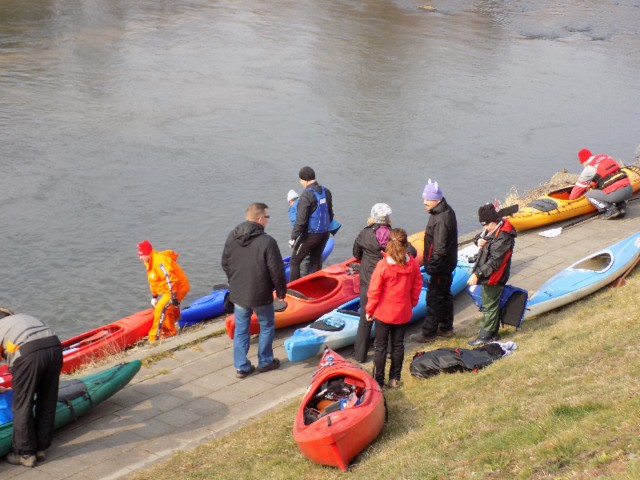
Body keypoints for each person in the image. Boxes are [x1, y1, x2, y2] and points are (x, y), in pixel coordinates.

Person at [221, 202, 287, 379]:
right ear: (260, 219)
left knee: (241, 328)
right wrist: (281, 291)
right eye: (268, 217)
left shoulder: (232, 236)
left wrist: (235, 282)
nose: (268, 220)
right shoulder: (267, 242)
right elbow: (277, 270)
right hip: (261, 293)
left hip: (239, 293)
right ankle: (265, 361)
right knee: (266, 325)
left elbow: (225, 263)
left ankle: (241, 367)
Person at [352, 203, 417, 363]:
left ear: (373, 217)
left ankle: (360, 355)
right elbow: (412, 252)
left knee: (365, 319)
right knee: (388, 320)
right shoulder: (393, 235)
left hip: (368, 282)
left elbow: (356, 253)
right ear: (388, 218)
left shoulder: (364, 234)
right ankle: (388, 351)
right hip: (390, 284)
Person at [0, 307, 63, 467]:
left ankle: (24, 454)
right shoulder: (21, 318)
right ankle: (41, 449)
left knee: (22, 404)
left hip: (29, 353)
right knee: (47, 399)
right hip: (55, 347)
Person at [365, 229, 423, 389]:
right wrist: (412, 302)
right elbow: (418, 284)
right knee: (398, 345)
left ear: (388, 244)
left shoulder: (383, 266)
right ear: (406, 245)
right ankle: (395, 378)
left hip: (384, 313)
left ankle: (378, 381)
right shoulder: (412, 264)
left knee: (380, 347)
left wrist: (369, 310)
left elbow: (374, 291)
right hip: (402, 311)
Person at [410, 179, 458, 343]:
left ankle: (428, 333)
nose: (424, 202)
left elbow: (439, 248)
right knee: (445, 296)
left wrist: (432, 269)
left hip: (440, 267)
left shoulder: (440, 219)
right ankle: (446, 327)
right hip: (446, 265)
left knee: (434, 298)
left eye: (427, 199)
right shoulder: (444, 212)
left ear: (436, 199)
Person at [466, 203, 517, 346]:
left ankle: (485, 336)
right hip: (488, 274)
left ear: (495, 221)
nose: (485, 228)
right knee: (490, 303)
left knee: (489, 306)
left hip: (494, 276)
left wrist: (477, 274)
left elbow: (495, 261)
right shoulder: (493, 229)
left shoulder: (504, 236)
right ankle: (492, 334)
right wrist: (478, 241)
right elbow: (480, 237)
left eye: (487, 224)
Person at [137, 240, 190, 343]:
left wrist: (174, 296)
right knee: (167, 309)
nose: (140, 257)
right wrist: (154, 296)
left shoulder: (159, 261)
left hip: (178, 287)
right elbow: (154, 281)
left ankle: (154, 338)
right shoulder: (149, 262)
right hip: (169, 289)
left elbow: (170, 278)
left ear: (147, 253)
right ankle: (170, 332)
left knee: (160, 309)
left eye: (141, 255)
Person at [289, 166, 334, 282]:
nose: (300, 183)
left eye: (300, 180)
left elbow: (301, 220)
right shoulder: (326, 191)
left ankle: (292, 290)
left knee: (295, 261)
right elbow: (330, 215)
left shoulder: (306, 195)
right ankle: (315, 288)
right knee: (315, 261)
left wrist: (293, 238)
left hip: (310, 236)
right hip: (324, 234)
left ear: (304, 180)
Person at [569, 148, 632, 220]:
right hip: (629, 189)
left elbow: (576, 191)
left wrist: (571, 199)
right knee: (615, 183)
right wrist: (593, 184)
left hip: (617, 194)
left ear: (584, 161)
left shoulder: (589, 168)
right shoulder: (605, 157)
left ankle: (610, 210)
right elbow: (607, 175)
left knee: (589, 194)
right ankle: (621, 207)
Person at [287, 189, 310, 277]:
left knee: (297, 260)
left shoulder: (293, 208)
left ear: (290, 200)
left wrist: (293, 238)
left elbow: (297, 223)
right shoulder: (305, 203)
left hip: (305, 235)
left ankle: (301, 280)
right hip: (317, 234)